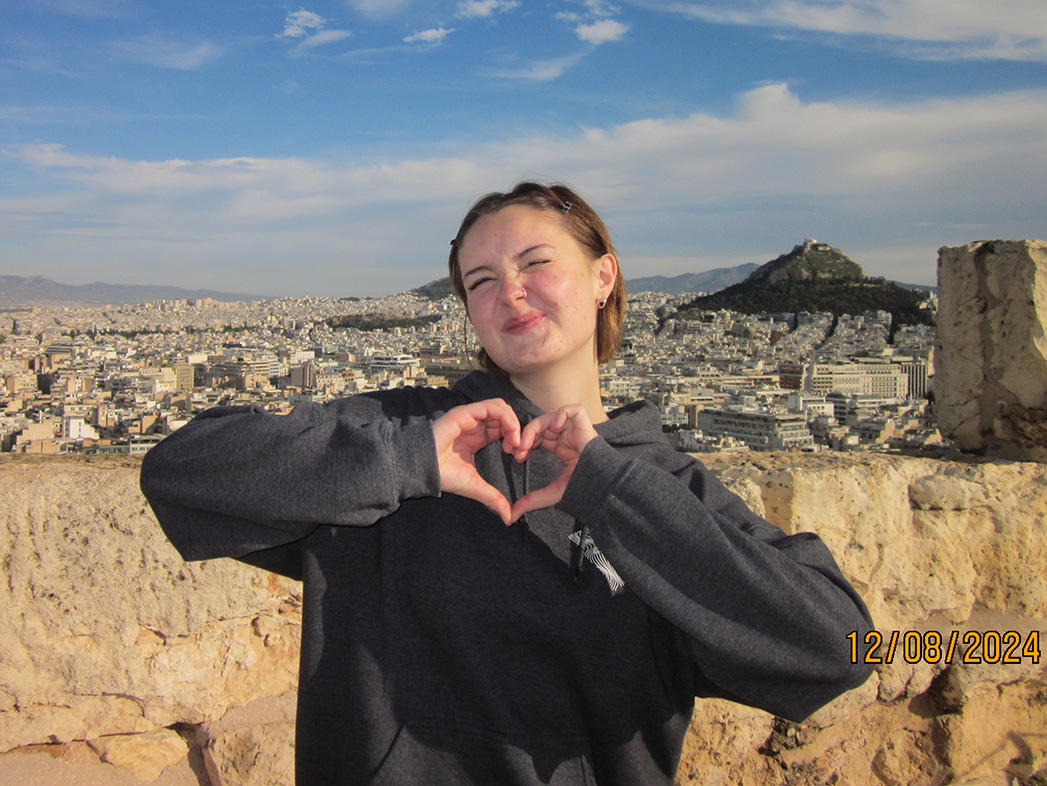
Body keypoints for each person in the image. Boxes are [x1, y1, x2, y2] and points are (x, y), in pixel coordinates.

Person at [141, 181, 874, 786]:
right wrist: (407, 460)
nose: (510, 292)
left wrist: (610, 491)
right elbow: (183, 471)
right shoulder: (405, 432)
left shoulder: (663, 486)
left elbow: (837, 648)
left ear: (602, 277)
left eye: (533, 263)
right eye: (481, 281)